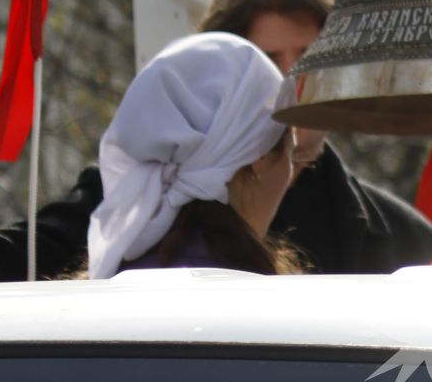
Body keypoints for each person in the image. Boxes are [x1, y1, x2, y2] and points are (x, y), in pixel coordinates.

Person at [0, 0, 432, 280]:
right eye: (265, 61)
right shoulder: (129, 197)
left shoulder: (402, 237)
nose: (289, 83)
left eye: (308, 57)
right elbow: (0, 261)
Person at [86, 33, 297, 277]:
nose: (290, 175)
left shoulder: (104, 281)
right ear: (258, 161)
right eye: (293, 155)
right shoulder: (267, 303)